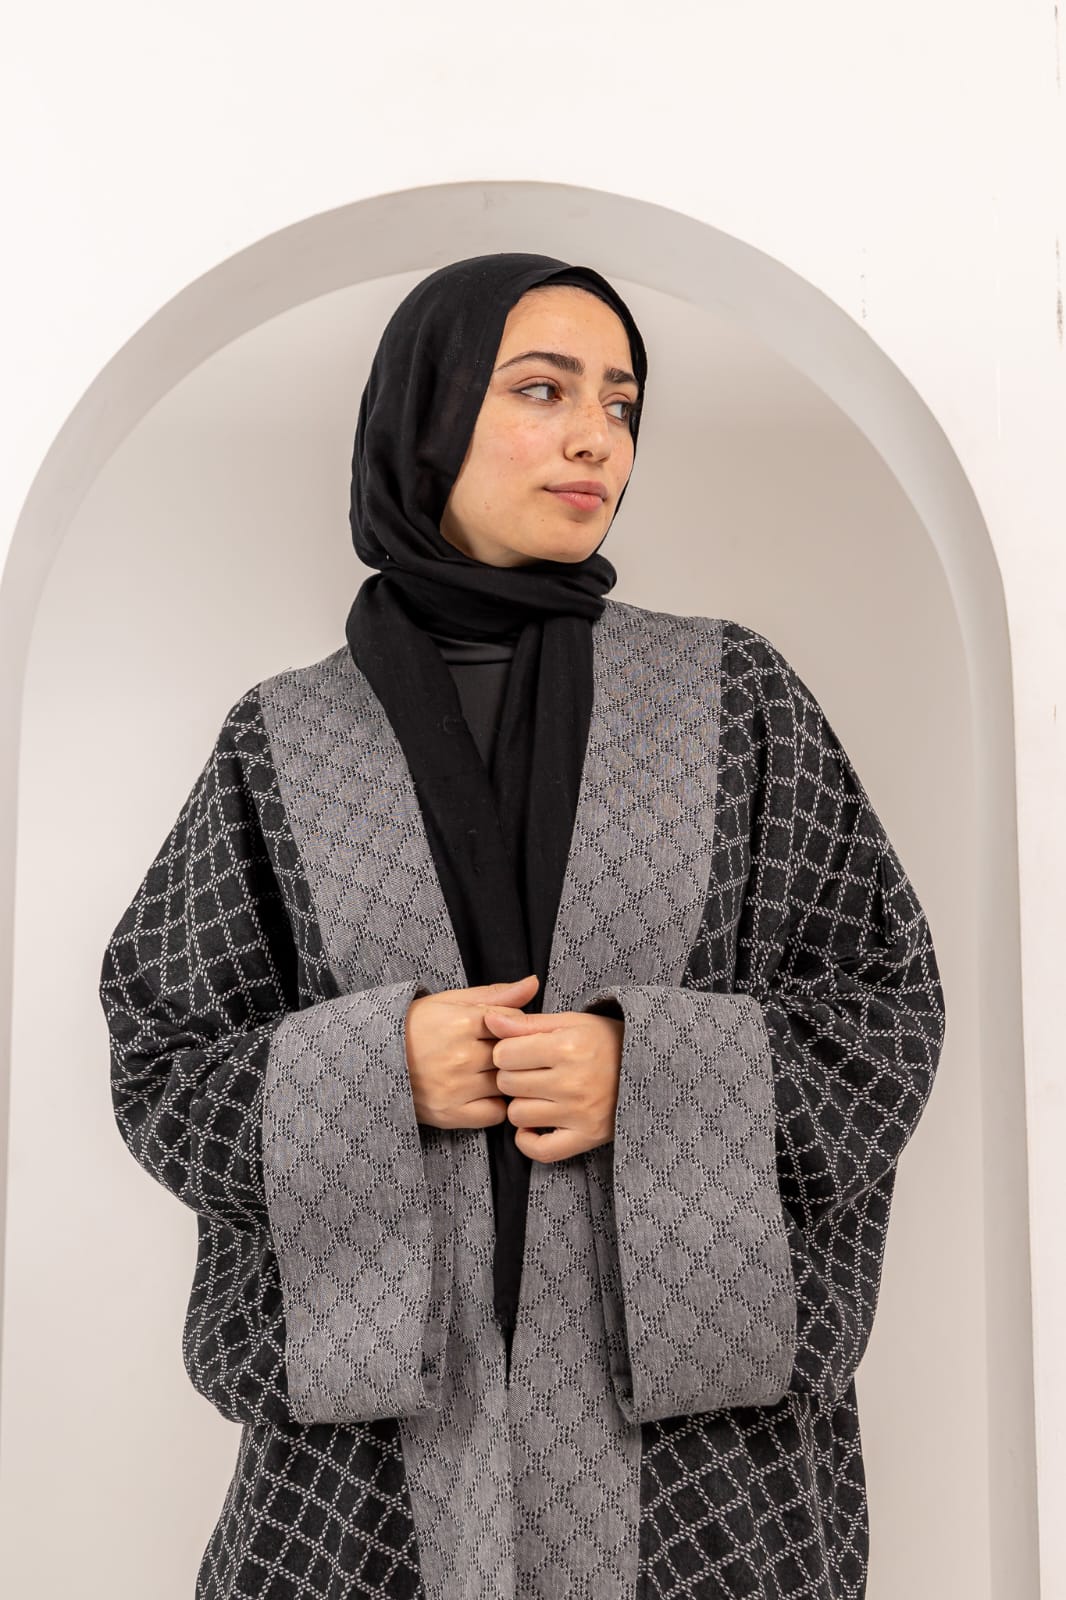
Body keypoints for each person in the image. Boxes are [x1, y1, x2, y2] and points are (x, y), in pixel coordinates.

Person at [98, 252, 947, 1600]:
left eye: (620, 403)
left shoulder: (735, 697)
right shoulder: (283, 738)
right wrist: (378, 1074)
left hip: (700, 1483)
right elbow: (164, 1058)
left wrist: (648, 1074)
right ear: (427, 414)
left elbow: (883, 1012)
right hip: (364, 1481)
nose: (593, 437)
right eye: (542, 389)